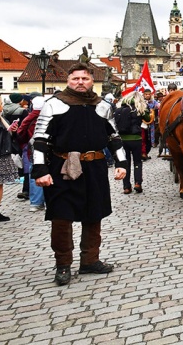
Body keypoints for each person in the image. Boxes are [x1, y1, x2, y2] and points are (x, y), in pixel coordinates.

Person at [32, 62, 127, 286]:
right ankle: (63, 264)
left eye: (84, 79)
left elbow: (114, 137)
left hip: (94, 167)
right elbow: (39, 141)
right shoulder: (54, 105)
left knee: (94, 214)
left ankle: (90, 260)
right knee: (61, 217)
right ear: (69, 81)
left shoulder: (102, 105)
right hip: (62, 167)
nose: (80, 83)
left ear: (92, 81)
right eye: (76, 79)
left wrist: (122, 162)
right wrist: (41, 170)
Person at [114, 91, 150, 194]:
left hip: (122, 140)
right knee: (137, 162)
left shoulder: (119, 109)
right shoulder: (139, 108)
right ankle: (137, 183)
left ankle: (126, 187)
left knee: (126, 163)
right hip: (136, 139)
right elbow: (148, 119)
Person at [16, 96, 46, 212]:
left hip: (32, 149)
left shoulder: (29, 117)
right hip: (48, 148)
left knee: (34, 174)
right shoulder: (49, 116)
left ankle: (36, 202)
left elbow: (21, 134)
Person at [0, 95, 20, 221]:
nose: (2, 106)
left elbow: (9, 136)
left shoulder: (2, 118)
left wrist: (12, 130)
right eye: (1, 104)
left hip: (2, 154)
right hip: (0, 155)